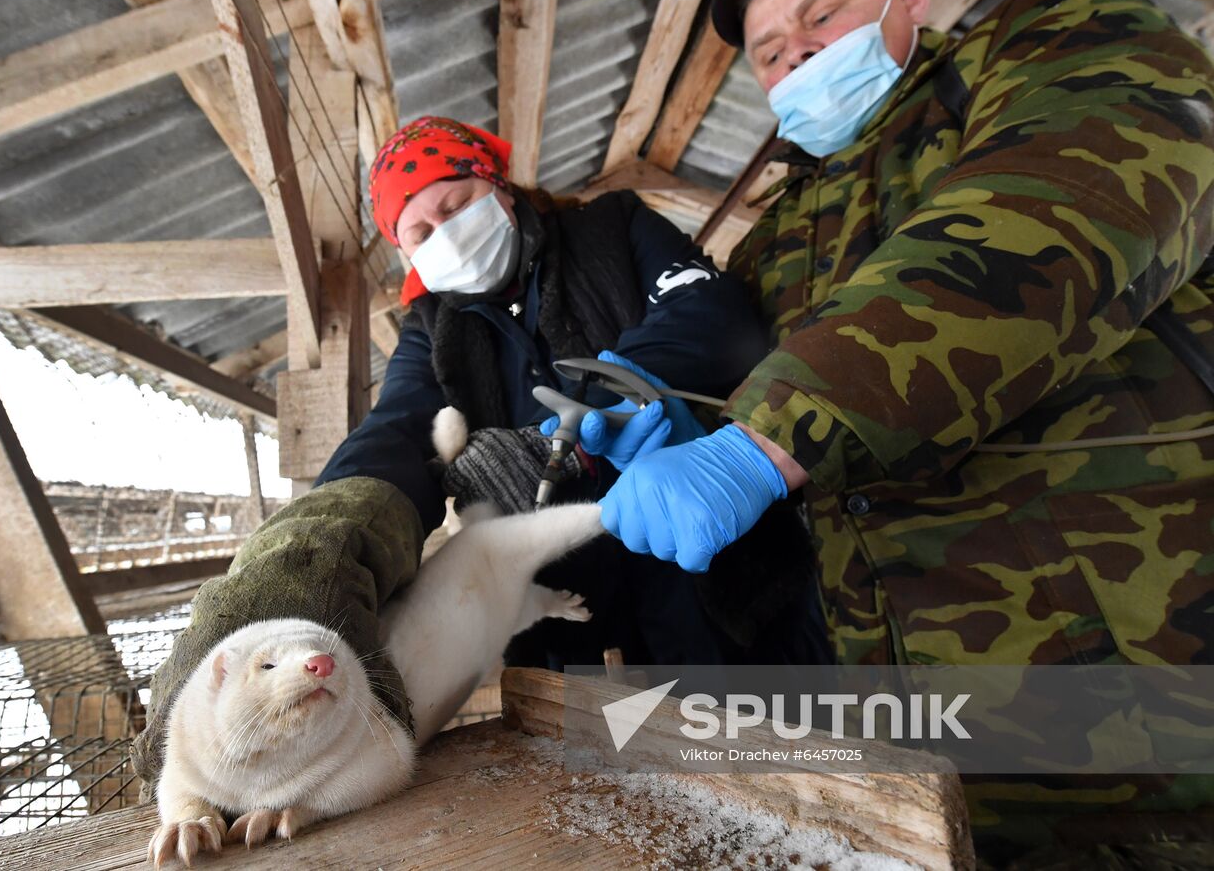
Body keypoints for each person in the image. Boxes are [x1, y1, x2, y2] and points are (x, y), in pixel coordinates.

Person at [586, 0, 1214, 862]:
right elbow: (810, 472)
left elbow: (1060, 213)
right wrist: (700, 431)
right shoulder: (777, 241)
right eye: (768, 52)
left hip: (1151, 689)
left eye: (819, 16)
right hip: (922, 731)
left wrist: (766, 440)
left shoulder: (1056, 37)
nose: (795, 57)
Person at [132, 116, 826, 796]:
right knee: (606, 792)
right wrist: (315, 541)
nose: (446, 235)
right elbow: (397, 432)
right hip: (566, 602)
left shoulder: (612, 228)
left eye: (455, 203)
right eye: (421, 232)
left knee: (782, 762)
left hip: (706, 559)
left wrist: (584, 414)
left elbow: (714, 315)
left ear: (496, 183)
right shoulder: (434, 326)